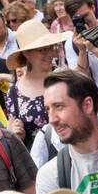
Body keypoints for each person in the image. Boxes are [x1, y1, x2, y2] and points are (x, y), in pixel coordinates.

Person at [4, 21, 65, 151]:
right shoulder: (13, 93)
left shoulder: (65, 79)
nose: (49, 54)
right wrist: (15, 134)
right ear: (27, 53)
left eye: (50, 47)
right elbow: (11, 135)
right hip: (36, 164)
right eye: (42, 50)